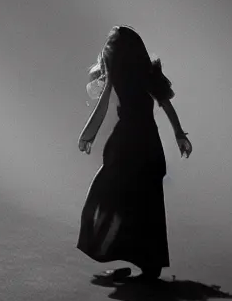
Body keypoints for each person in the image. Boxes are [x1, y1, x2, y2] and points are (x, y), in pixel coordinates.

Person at [76, 25, 192, 282]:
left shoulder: (140, 76)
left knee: (116, 198)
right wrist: (179, 134)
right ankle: (145, 263)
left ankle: (141, 261)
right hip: (142, 143)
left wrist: (180, 134)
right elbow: (106, 106)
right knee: (140, 201)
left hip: (131, 144)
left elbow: (162, 104)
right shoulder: (138, 75)